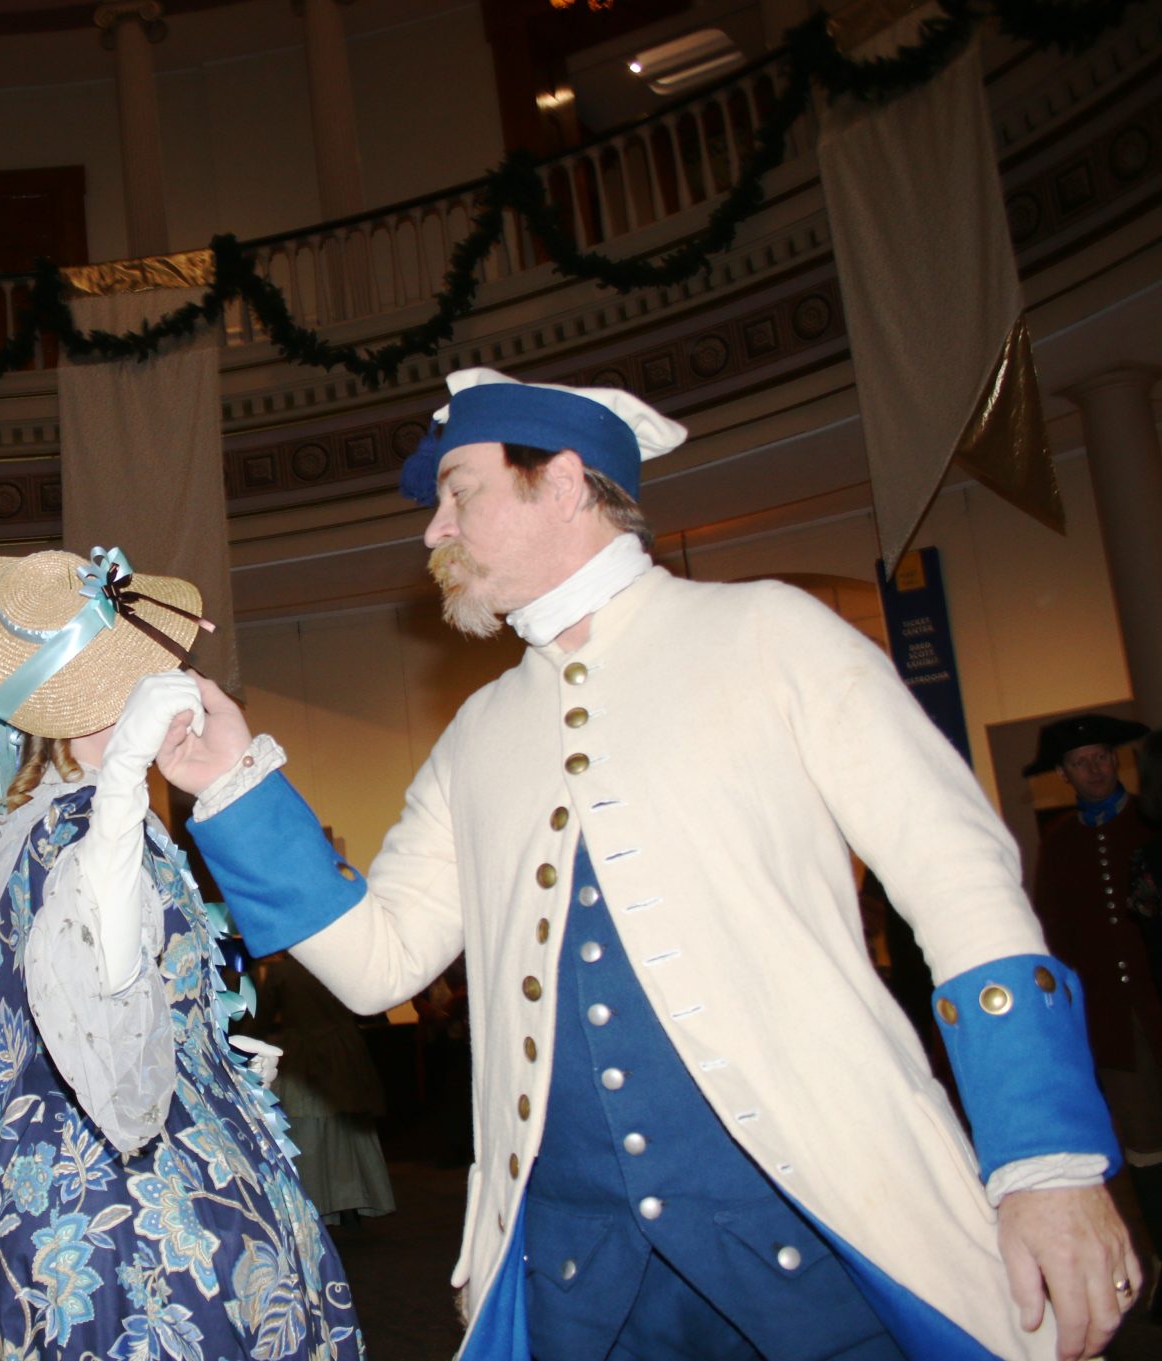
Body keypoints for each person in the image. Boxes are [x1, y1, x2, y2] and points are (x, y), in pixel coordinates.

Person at [155, 368, 1141, 1361]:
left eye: (459, 491)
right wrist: (234, 783)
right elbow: (378, 961)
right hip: (578, 1281)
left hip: (828, 1231)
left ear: (565, 481)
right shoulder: (475, 732)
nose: (431, 530)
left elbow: (956, 878)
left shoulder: (769, 630)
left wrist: (1046, 1162)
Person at [0, 547, 362, 1361]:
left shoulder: (47, 821)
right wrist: (127, 773)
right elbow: (96, 979)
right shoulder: (81, 822)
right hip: (109, 1201)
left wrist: (212, 1047)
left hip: (92, 1164)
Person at [1028, 714, 1162, 1296]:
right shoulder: (1058, 847)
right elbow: (1053, 938)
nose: (1095, 769)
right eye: (1081, 762)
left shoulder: (1153, 822)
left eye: (1102, 756)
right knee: (1145, 1146)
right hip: (1113, 1025)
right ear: (1063, 774)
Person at [244, 952, 397, 1228]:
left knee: (310, 1126)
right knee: (344, 1124)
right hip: (341, 1046)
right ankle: (350, 1200)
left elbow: (261, 1018)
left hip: (304, 1051)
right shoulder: (337, 963)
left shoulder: (279, 971)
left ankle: (319, 1202)